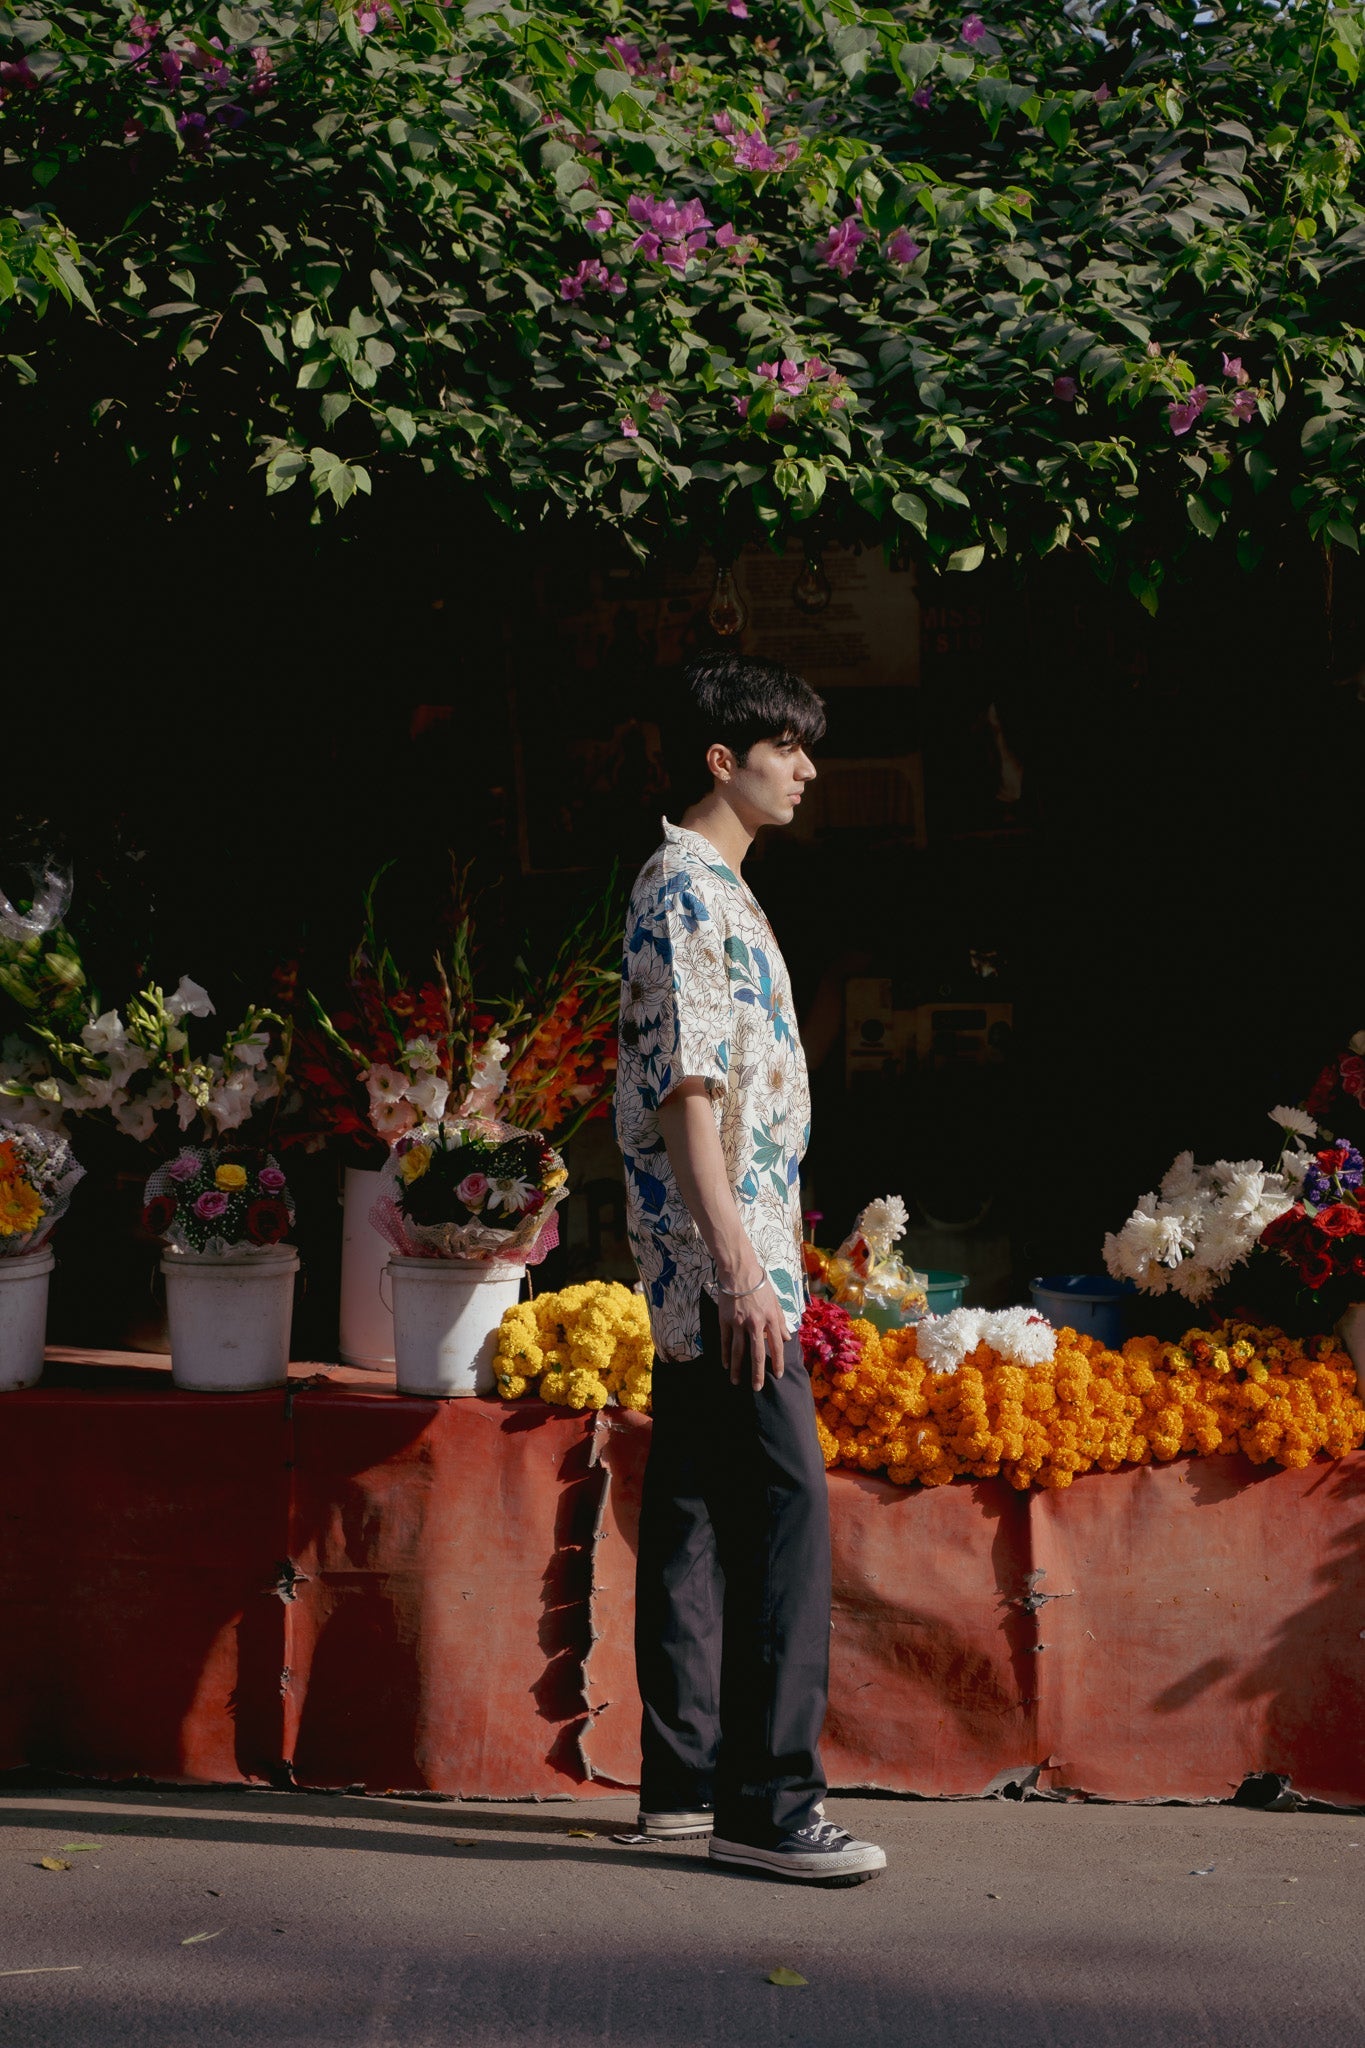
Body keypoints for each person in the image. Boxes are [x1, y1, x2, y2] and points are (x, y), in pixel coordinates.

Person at [614, 651, 887, 1887]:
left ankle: (682, 1782)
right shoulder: (687, 885)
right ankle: (770, 1802)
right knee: (785, 1509)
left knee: (689, 1508)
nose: (809, 768)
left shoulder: (721, 887)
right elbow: (688, 1083)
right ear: (724, 758)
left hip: (723, 1250)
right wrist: (736, 1260)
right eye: (789, 746)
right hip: (719, 1258)